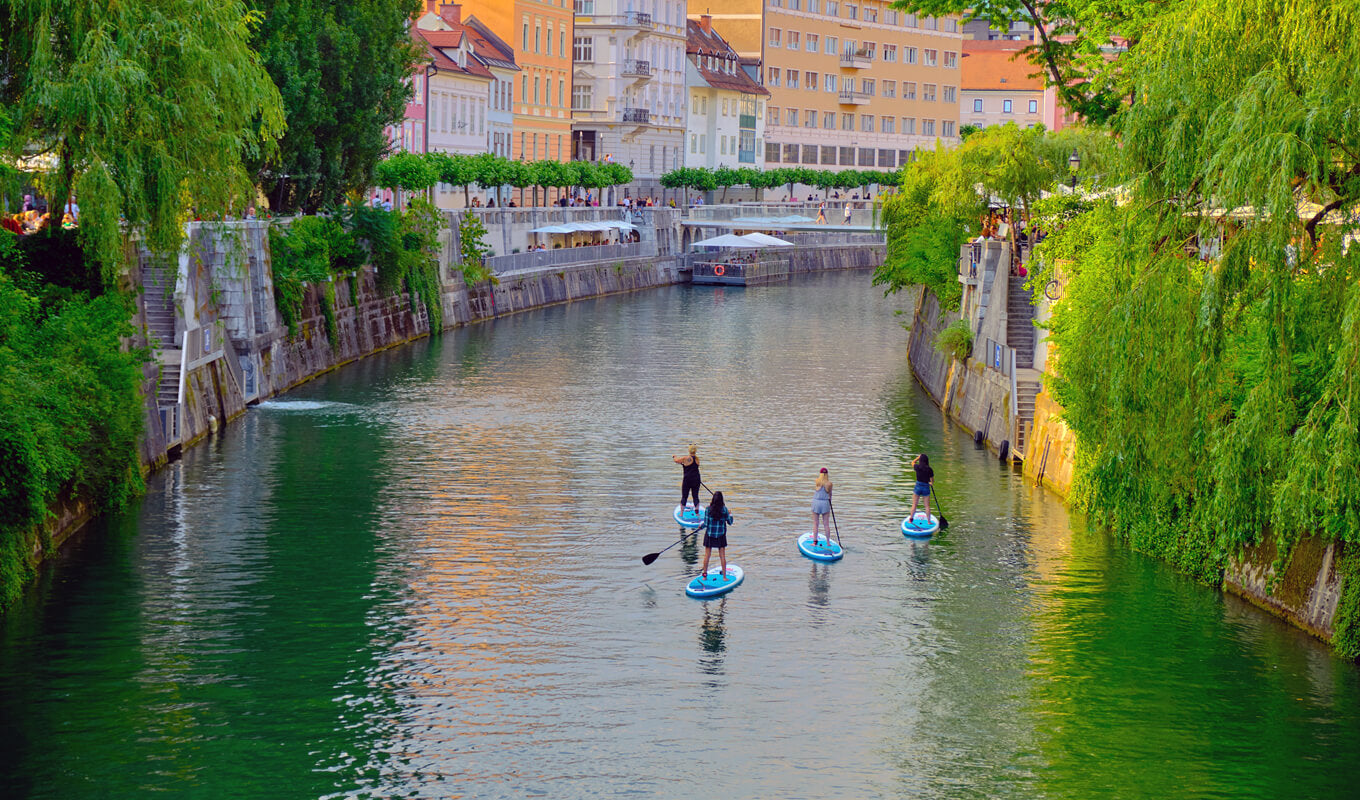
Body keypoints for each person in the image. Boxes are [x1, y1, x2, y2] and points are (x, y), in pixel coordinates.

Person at [701, 490, 733, 578]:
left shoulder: (708, 509)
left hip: (710, 534)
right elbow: (730, 522)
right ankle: (724, 577)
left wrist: (701, 526)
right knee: (722, 556)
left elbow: (706, 524)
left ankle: (704, 576)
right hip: (721, 535)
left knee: (707, 555)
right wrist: (730, 514)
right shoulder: (724, 510)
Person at [673, 444, 702, 512]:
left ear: (689, 450)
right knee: (695, 496)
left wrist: (674, 456)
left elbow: (676, 460)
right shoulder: (697, 459)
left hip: (687, 480)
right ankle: (697, 512)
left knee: (684, 496)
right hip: (696, 479)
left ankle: (681, 513)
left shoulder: (685, 458)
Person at [906, 453, 934, 523]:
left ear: (920, 460)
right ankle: (929, 521)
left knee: (914, 504)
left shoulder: (917, 467)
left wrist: (918, 457)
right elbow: (932, 479)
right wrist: (931, 483)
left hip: (918, 486)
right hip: (926, 487)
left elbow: (912, 462)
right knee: (927, 506)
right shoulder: (929, 469)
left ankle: (910, 520)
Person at [810, 468, 833, 546]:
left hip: (816, 502)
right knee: (826, 524)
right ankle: (828, 542)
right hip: (825, 503)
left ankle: (814, 542)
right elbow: (830, 495)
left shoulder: (817, 481)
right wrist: (830, 504)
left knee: (815, 523)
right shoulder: (829, 484)